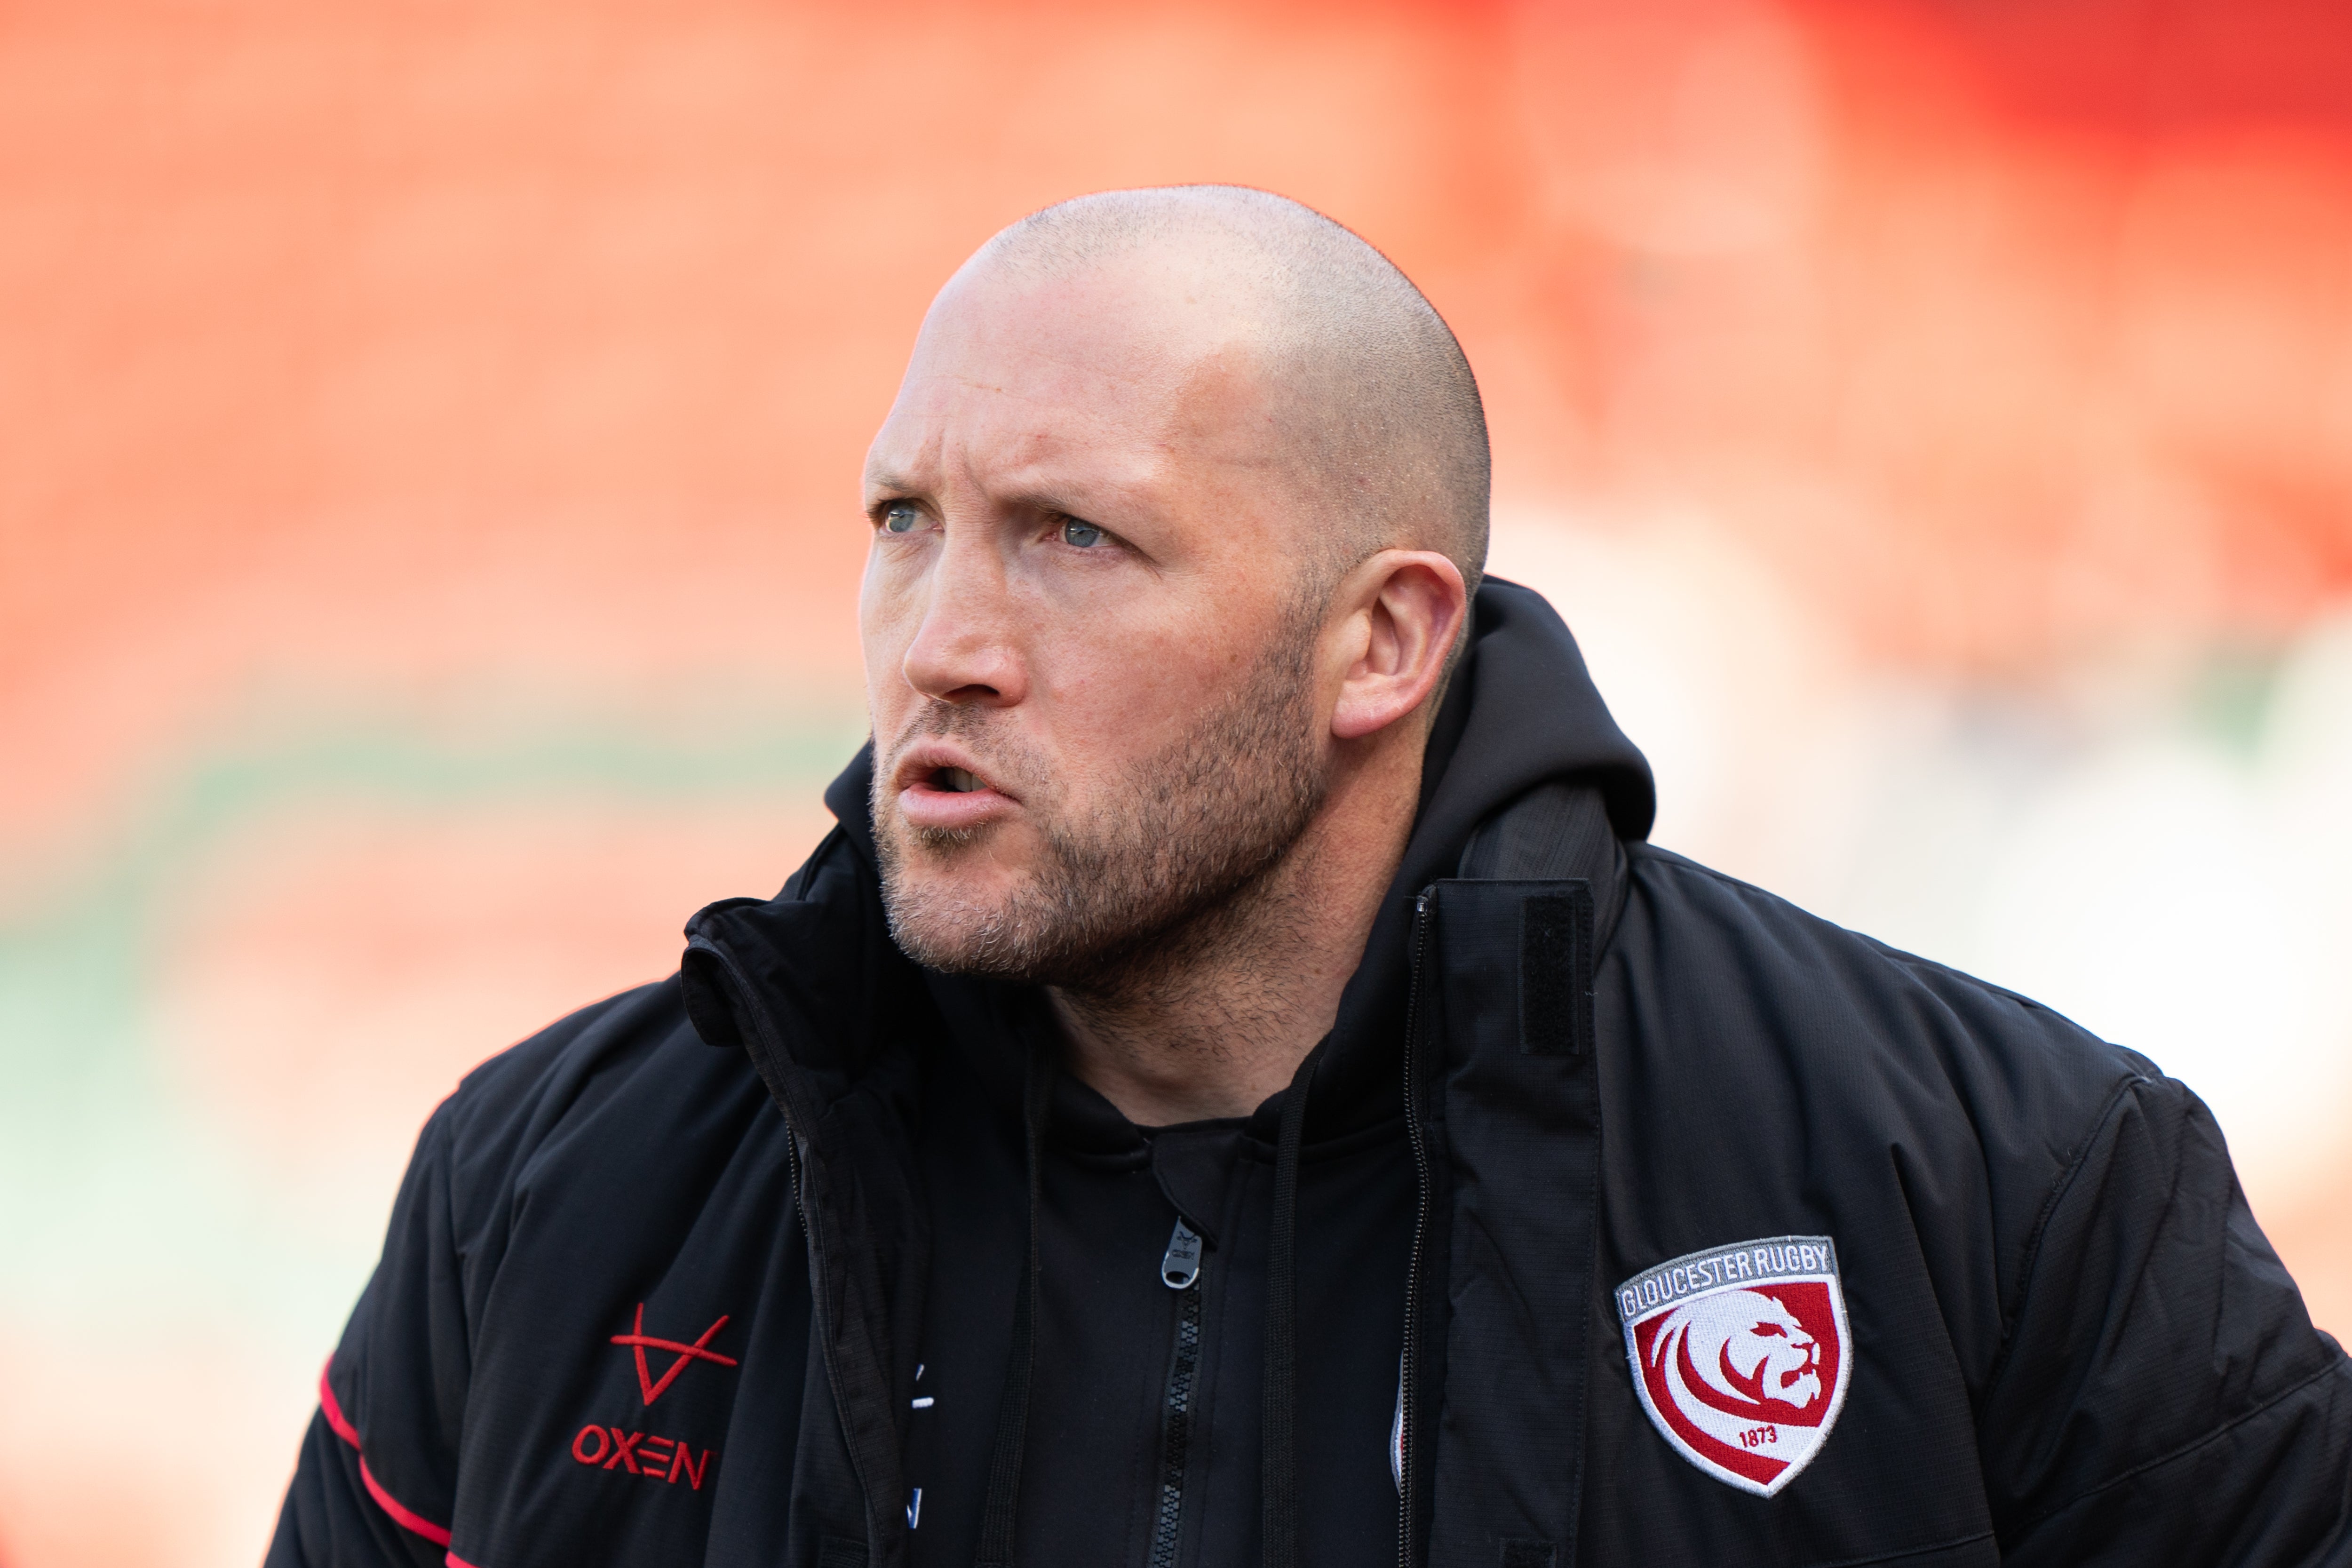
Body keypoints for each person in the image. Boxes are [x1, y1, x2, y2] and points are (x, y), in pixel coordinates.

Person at [267, 186, 2352, 1568]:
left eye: (1073, 538)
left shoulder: (1992, 1186)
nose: (941, 639)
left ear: (1383, 642)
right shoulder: (550, 1191)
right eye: (906, 520)